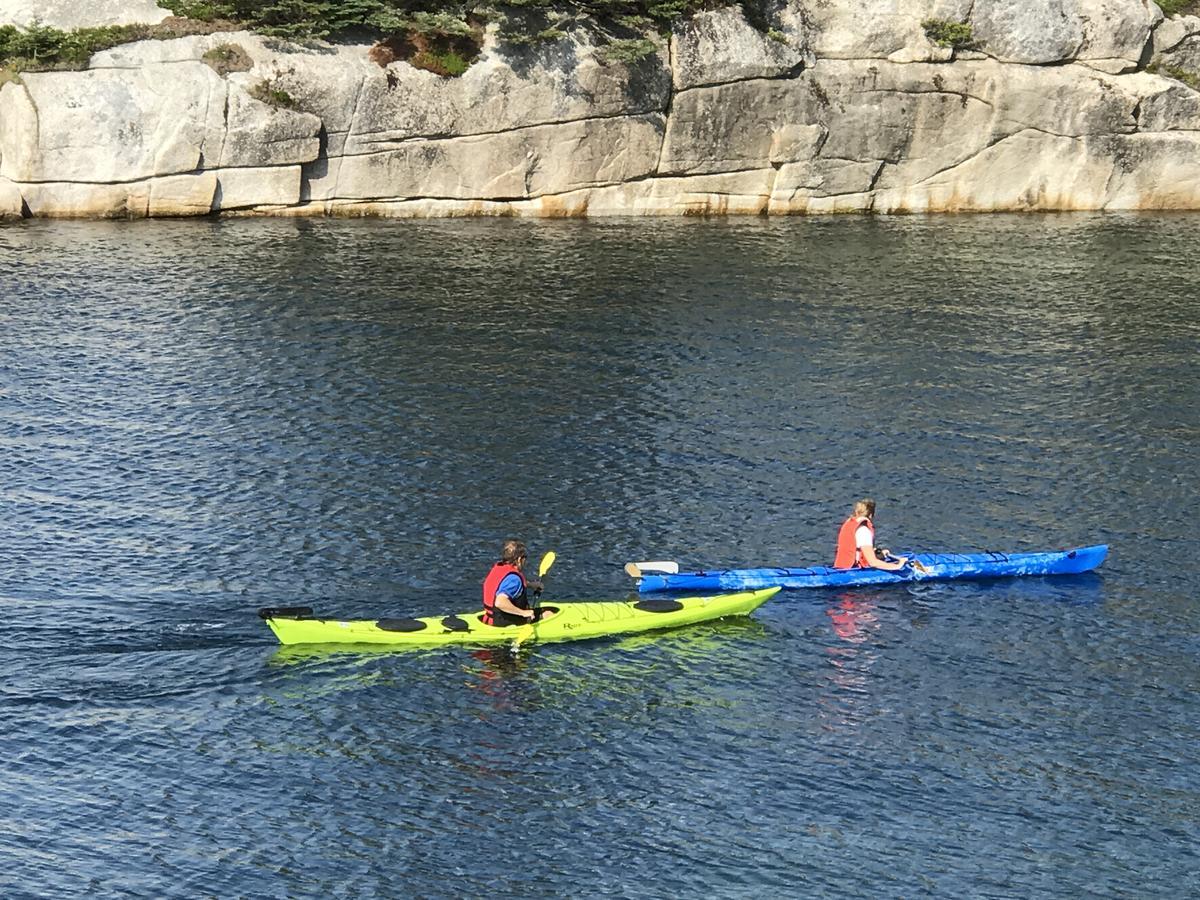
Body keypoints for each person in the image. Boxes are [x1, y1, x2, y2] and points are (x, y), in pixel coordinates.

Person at [481, 539, 554, 626]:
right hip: (503, 622)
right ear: (519, 559)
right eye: (525, 558)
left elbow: (504, 584)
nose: (525, 561)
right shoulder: (514, 580)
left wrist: (531, 585)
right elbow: (500, 602)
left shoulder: (499, 568)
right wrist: (523, 613)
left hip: (489, 618)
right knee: (548, 614)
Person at [833, 498, 911, 571]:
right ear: (870, 515)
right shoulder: (864, 531)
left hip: (841, 566)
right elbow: (872, 562)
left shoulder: (849, 523)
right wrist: (898, 566)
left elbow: (857, 548)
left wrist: (880, 554)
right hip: (854, 568)